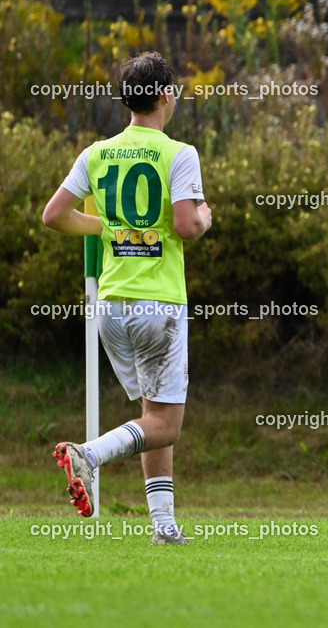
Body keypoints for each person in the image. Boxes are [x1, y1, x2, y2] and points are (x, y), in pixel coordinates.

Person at [43, 50, 212, 544]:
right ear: (164, 95)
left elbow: (54, 215)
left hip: (112, 307)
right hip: (158, 305)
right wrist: (206, 216)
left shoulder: (97, 153)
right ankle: (87, 455)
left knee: (151, 412)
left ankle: (164, 528)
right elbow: (186, 224)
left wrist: (111, 227)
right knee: (167, 424)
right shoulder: (178, 153)